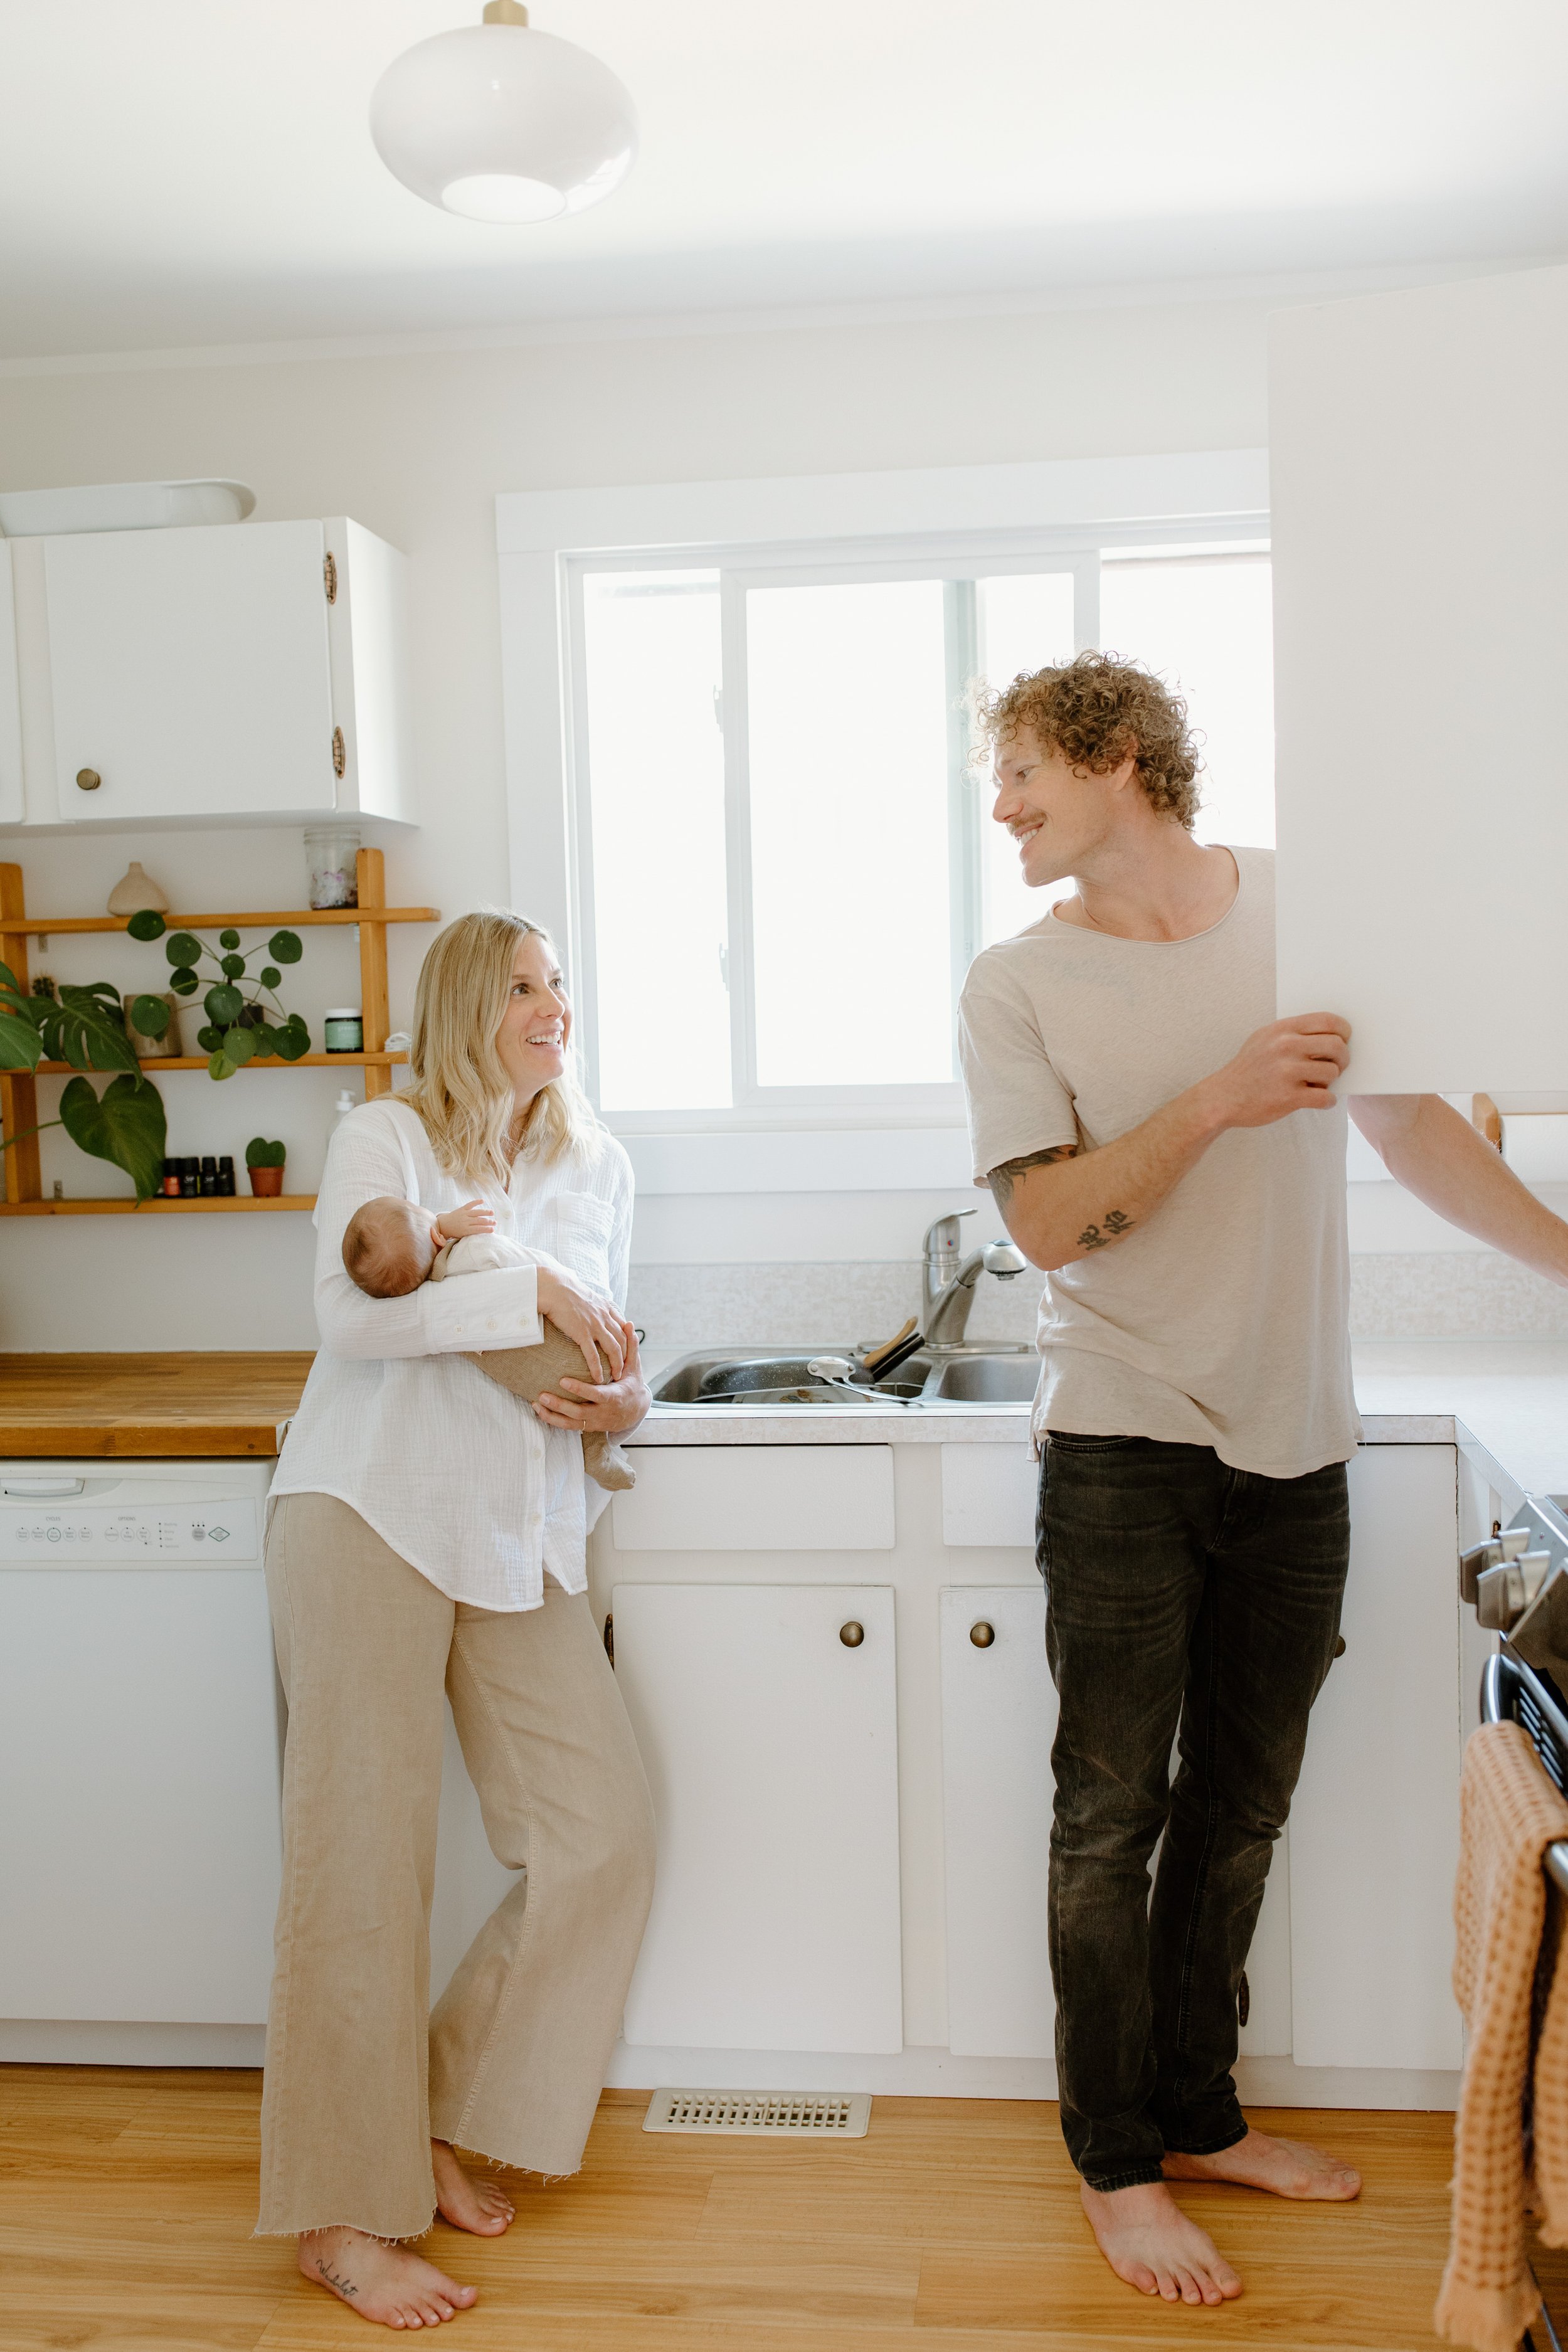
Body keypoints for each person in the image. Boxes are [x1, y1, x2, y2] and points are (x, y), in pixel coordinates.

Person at [958, 650, 1568, 2309]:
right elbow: (1043, 1221)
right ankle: (1115, 2159)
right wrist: (1218, 1098)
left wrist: (1567, 1264)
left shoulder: (1307, 909)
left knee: (1236, 1808)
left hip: (1296, 1440)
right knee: (1110, 1818)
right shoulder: (1015, 982)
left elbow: (1410, 1127)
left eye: (1016, 768)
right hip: (1119, 1437)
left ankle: (1201, 2110)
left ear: (1112, 752)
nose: (997, 803)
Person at [260, 908, 655, 2328]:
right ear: (461, 1008)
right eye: (522, 987)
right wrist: (516, 1279)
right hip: (366, 1511)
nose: (553, 1005)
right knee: (359, 1865)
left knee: (599, 1830)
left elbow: (612, 1334)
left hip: (520, 1529)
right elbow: (353, 1315)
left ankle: (430, 2109)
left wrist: (627, 1394)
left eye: (560, 981)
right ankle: (344, 2212)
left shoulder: (594, 1157)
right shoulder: (389, 1135)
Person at [341, 1191, 636, 1489]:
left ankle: (594, 1450)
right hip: (584, 1358)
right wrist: (579, 1290)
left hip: (541, 1386)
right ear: (437, 1237)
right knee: (598, 1357)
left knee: (567, 1394)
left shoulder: (434, 1303)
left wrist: (439, 1225)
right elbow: (537, 1266)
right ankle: (596, 1446)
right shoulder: (476, 1250)